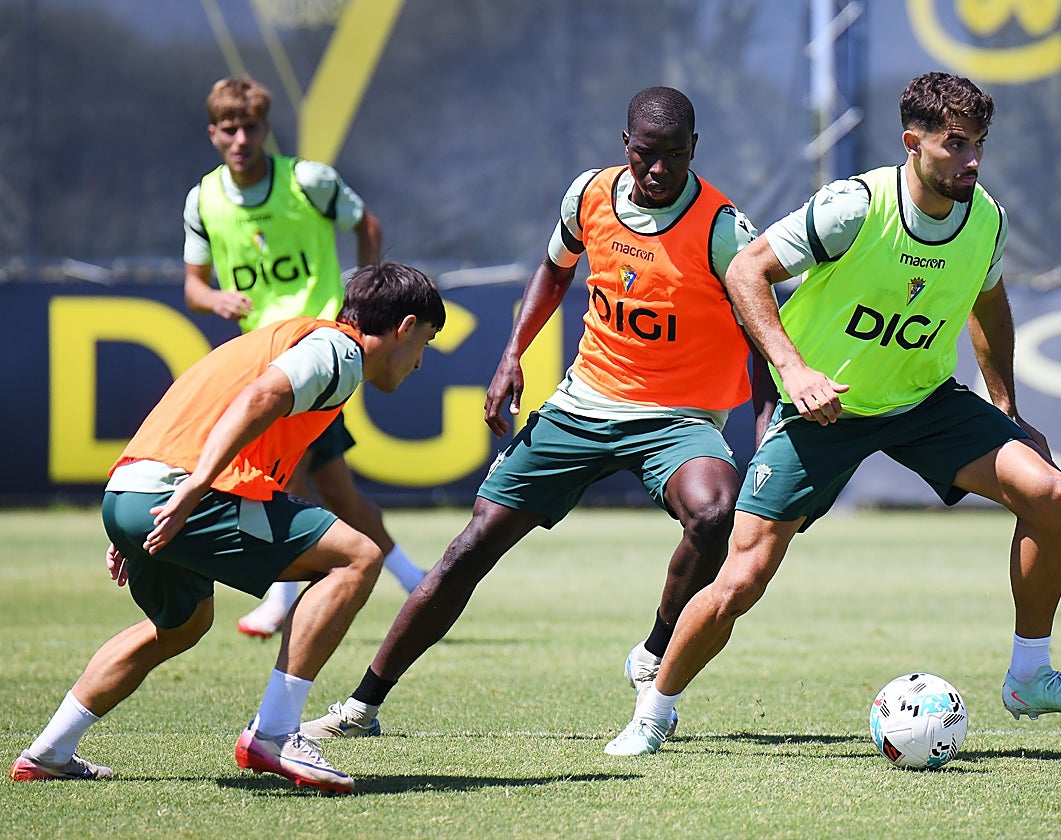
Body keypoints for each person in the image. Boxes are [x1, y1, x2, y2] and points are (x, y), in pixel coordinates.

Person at [604, 71, 1061, 756]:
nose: (971, 161)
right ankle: (656, 709)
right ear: (913, 143)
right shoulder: (855, 206)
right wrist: (793, 370)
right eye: (956, 145)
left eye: (979, 146)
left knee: (1050, 493)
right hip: (825, 411)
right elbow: (745, 272)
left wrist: (1007, 406)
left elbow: (989, 304)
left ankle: (1031, 674)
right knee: (742, 579)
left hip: (923, 401)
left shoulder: (987, 218)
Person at [300, 86, 767, 741]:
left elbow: (765, 320)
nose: (657, 170)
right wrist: (511, 355)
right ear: (624, 145)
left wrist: (771, 413)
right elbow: (554, 271)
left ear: (696, 148)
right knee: (471, 547)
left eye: (673, 156)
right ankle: (362, 707)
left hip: (677, 417)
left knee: (715, 512)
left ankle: (656, 650)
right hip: (583, 405)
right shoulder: (588, 196)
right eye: (644, 154)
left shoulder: (722, 229)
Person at [9, 263, 445, 793]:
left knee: (182, 625)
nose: (421, 360)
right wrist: (191, 487)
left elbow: (195, 407)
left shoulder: (289, 337)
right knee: (356, 556)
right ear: (404, 326)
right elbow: (258, 399)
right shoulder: (340, 351)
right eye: (426, 340)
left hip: (132, 488)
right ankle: (277, 733)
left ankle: (50, 750)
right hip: (181, 490)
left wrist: (132, 514)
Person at [182, 76, 426, 640]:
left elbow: (368, 226)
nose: (241, 138)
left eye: (251, 127)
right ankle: (413, 577)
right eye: (229, 129)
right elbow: (193, 287)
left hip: (319, 350)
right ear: (213, 134)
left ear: (267, 130)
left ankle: (285, 593)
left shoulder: (308, 181)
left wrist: (361, 299)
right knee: (326, 484)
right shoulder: (204, 200)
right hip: (262, 357)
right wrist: (217, 297)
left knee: (290, 478)